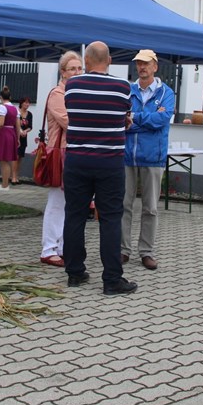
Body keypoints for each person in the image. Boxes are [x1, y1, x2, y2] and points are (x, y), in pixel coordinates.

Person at [62, 41, 136, 295]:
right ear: (110, 61)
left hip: (77, 160)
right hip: (110, 162)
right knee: (111, 218)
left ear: (86, 60)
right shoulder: (123, 87)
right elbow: (125, 117)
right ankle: (112, 279)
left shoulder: (72, 86)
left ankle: (74, 273)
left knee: (74, 215)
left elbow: (76, 115)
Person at [122, 49, 175, 270]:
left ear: (155, 66)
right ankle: (123, 250)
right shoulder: (128, 91)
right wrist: (146, 122)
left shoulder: (166, 93)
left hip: (153, 157)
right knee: (123, 205)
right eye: (138, 63)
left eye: (145, 63)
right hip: (128, 156)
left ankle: (146, 252)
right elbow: (122, 122)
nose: (141, 67)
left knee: (150, 208)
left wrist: (135, 119)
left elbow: (161, 120)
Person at [39, 51, 82, 268]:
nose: (77, 72)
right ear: (63, 72)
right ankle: (48, 249)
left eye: (79, 68)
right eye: (72, 69)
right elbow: (70, 122)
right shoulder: (58, 94)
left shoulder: (77, 93)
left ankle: (62, 247)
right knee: (57, 202)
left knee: (69, 203)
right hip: (61, 153)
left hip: (74, 152)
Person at [0, 86, 20, 191]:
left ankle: (5, 185)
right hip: (12, 133)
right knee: (6, 160)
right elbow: (18, 125)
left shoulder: (2, 107)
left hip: (4, 134)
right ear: (10, 97)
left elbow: (1, 123)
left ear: (1, 97)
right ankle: (5, 184)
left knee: (4, 161)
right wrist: (17, 138)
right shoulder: (15, 109)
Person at [14, 97, 33, 185]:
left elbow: (30, 127)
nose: (27, 104)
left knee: (20, 157)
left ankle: (17, 176)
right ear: (21, 103)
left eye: (28, 103)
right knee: (16, 157)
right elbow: (14, 124)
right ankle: (13, 177)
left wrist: (25, 131)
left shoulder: (30, 114)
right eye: (25, 102)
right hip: (16, 136)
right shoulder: (16, 112)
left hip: (24, 138)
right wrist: (20, 131)